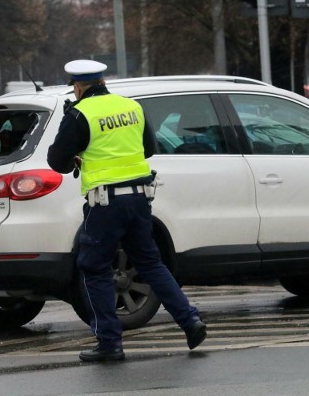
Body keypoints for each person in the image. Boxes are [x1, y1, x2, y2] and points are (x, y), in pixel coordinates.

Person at [47, 59, 207, 362]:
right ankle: (190, 321)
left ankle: (109, 343)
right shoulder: (131, 107)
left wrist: (78, 156)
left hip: (105, 203)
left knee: (94, 267)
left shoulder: (79, 114)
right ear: (103, 81)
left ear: (78, 86)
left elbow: (57, 161)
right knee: (150, 263)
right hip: (139, 198)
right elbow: (149, 149)